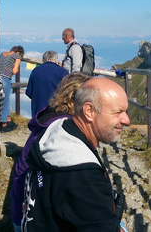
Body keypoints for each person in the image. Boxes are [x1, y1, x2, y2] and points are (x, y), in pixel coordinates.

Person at [22, 77, 130, 231]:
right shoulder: (84, 177)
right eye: (118, 112)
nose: (127, 120)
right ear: (89, 111)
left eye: (125, 111)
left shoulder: (57, 131)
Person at [10, 73, 89, 231]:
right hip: (30, 217)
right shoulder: (62, 131)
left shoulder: (49, 116)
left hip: (20, 207)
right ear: (75, 101)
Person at [25, 50, 68, 118]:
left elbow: (29, 92)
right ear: (56, 59)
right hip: (56, 112)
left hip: (38, 113)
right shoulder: (63, 72)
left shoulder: (36, 71)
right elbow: (67, 93)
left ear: (44, 59)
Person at [0, 45, 24, 132]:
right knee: (5, 102)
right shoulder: (17, 56)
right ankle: (4, 124)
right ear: (19, 52)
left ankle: (2, 120)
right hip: (5, 79)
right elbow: (14, 71)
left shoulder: (3, 54)